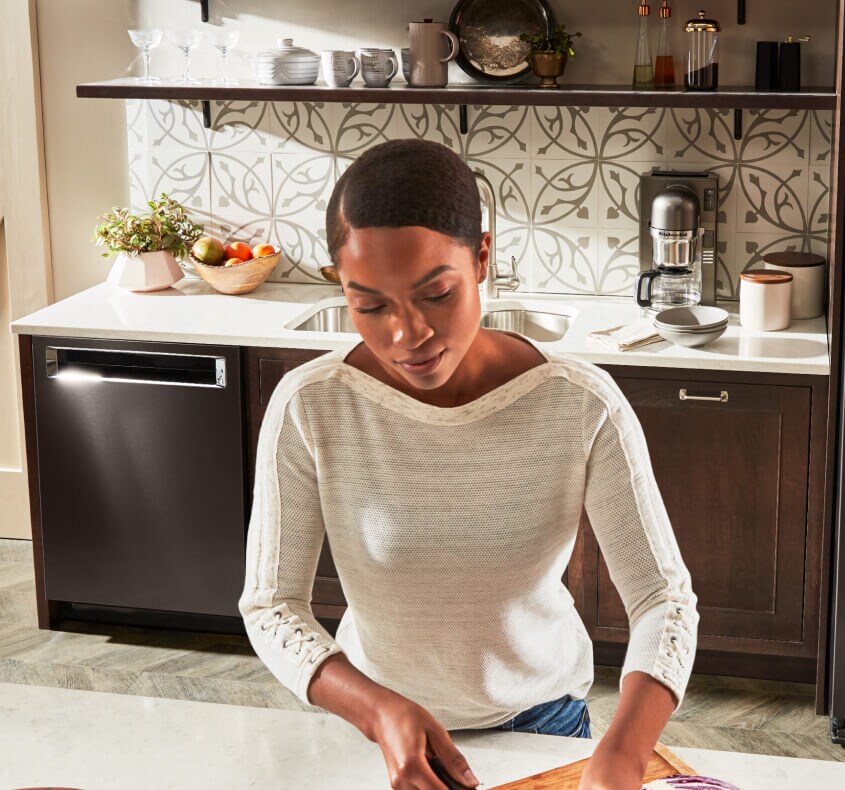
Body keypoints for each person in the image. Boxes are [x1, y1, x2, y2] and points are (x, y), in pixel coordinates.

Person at [238, 139, 699, 790]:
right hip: (373, 736)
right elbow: (272, 606)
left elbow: (663, 601)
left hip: (544, 728)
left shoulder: (581, 405)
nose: (407, 335)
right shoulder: (311, 407)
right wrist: (377, 711)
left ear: (482, 258)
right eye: (369, 305)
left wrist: (622, 755)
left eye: (436, 294)